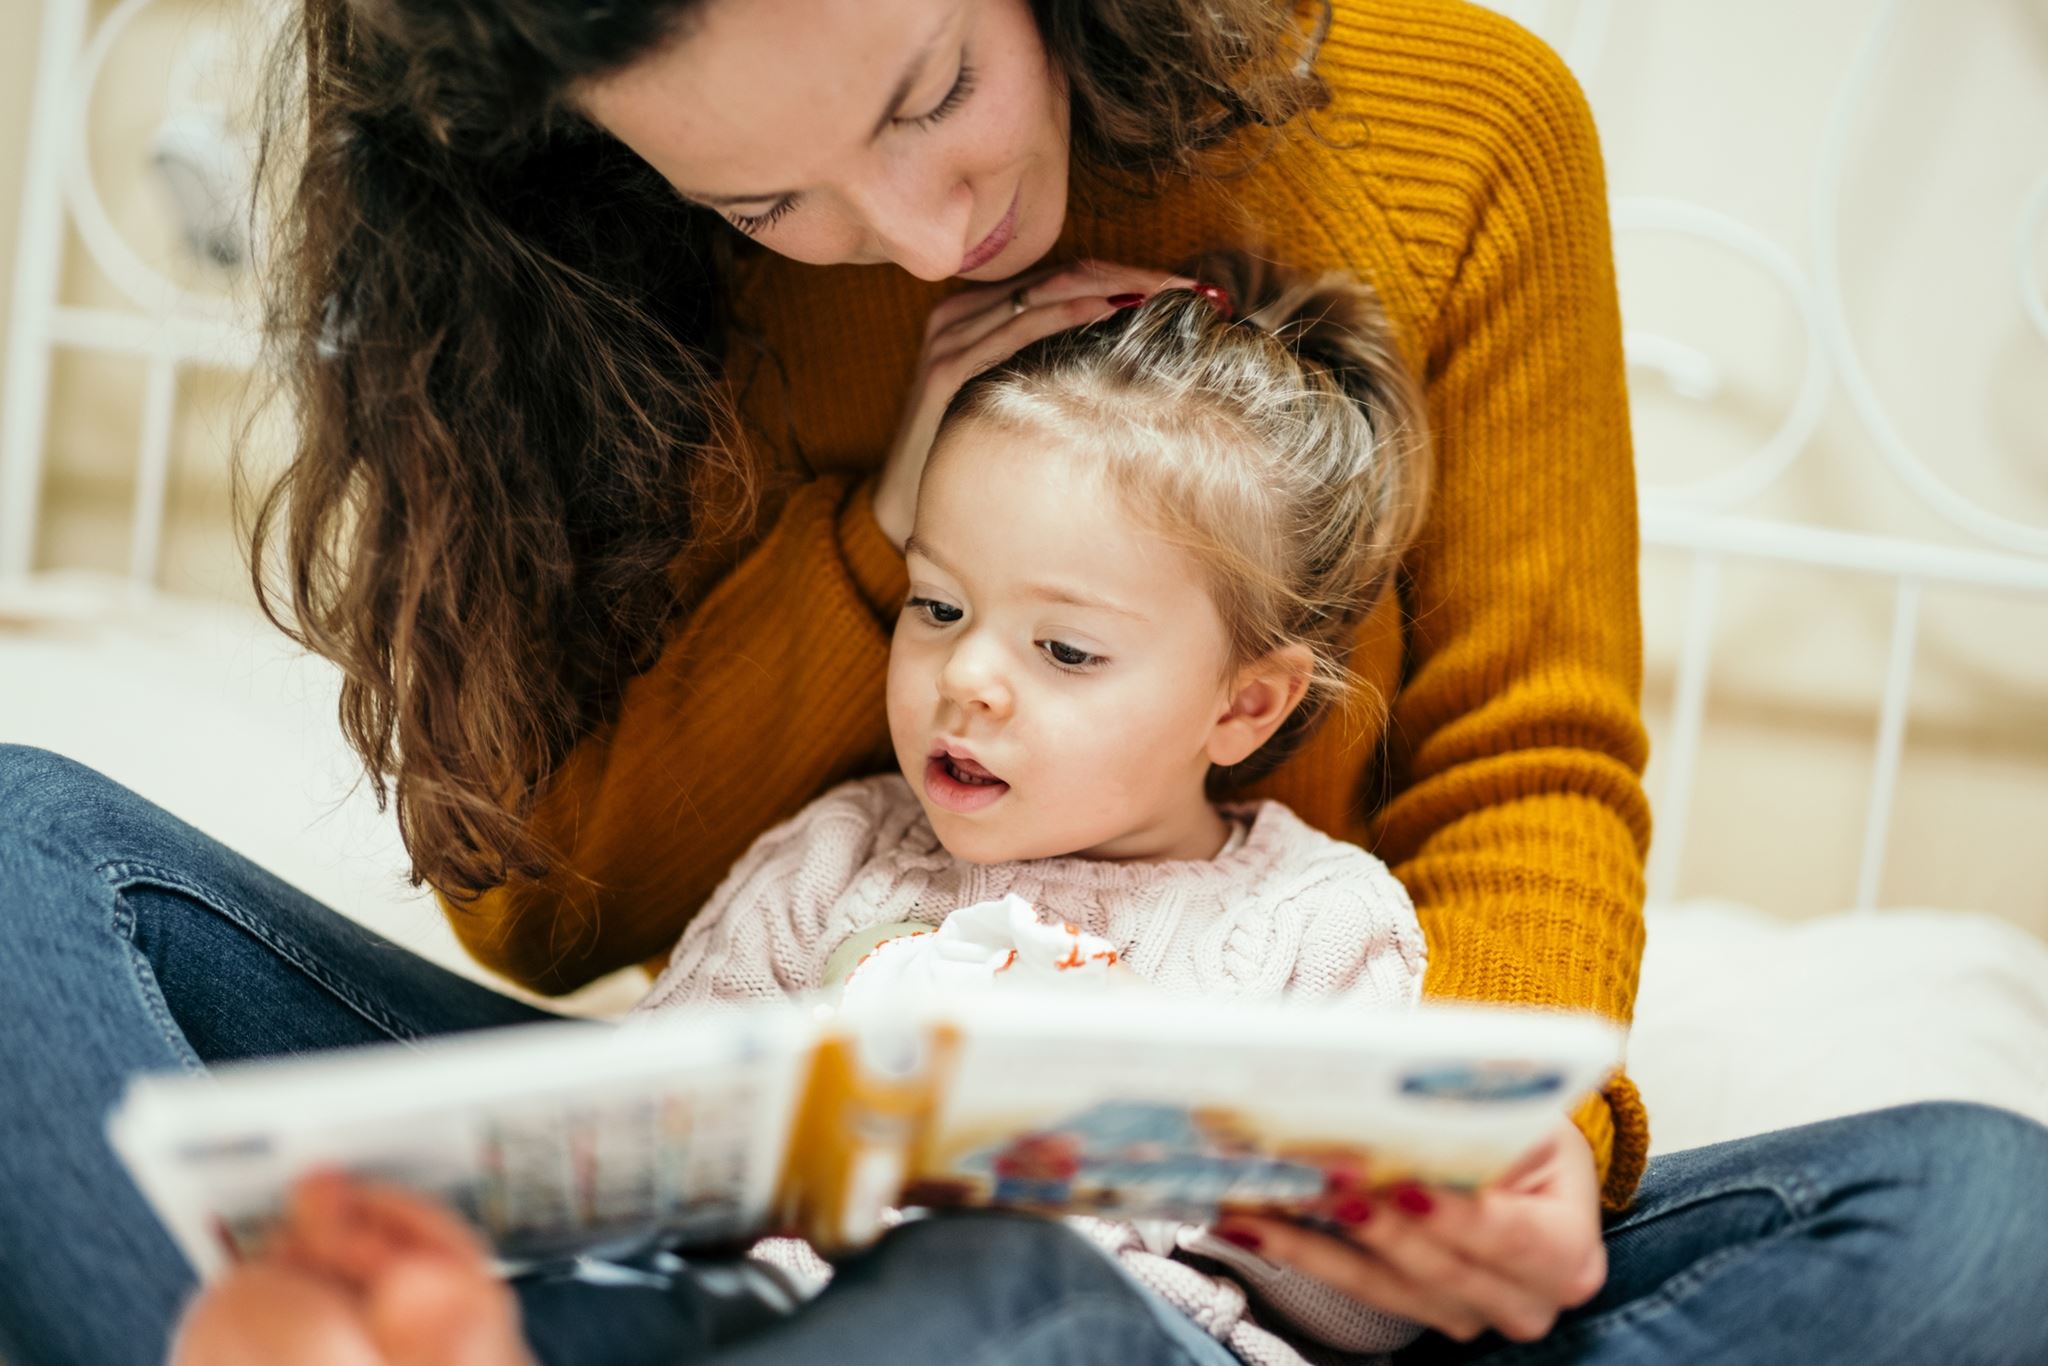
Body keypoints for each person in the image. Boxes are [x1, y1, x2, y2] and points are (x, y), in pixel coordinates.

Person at [4, 0, 2046, 1363]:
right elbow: (562, 912)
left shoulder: (1464, 133)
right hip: (773, 1262)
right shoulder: (562, 252)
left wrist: (1503, 1153)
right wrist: (881, 535)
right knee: (20, 844)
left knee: (1976, 1215)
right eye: (763, 204)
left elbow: (1524, 761)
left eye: (928, 95)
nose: (914, 232)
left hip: (1220, 1286)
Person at [178, 256, 1442, 1366]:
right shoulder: (845, 850)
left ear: (1245, 707)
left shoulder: (1317, 921)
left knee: (1000, 1269)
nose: (966, 677)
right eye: (936, 606)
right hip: (762, 1320)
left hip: (1091, 1330)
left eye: (1062, 650)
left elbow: (1376, 1309)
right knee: (640, 1292)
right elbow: (643, 1123)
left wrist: (1158, 1143)